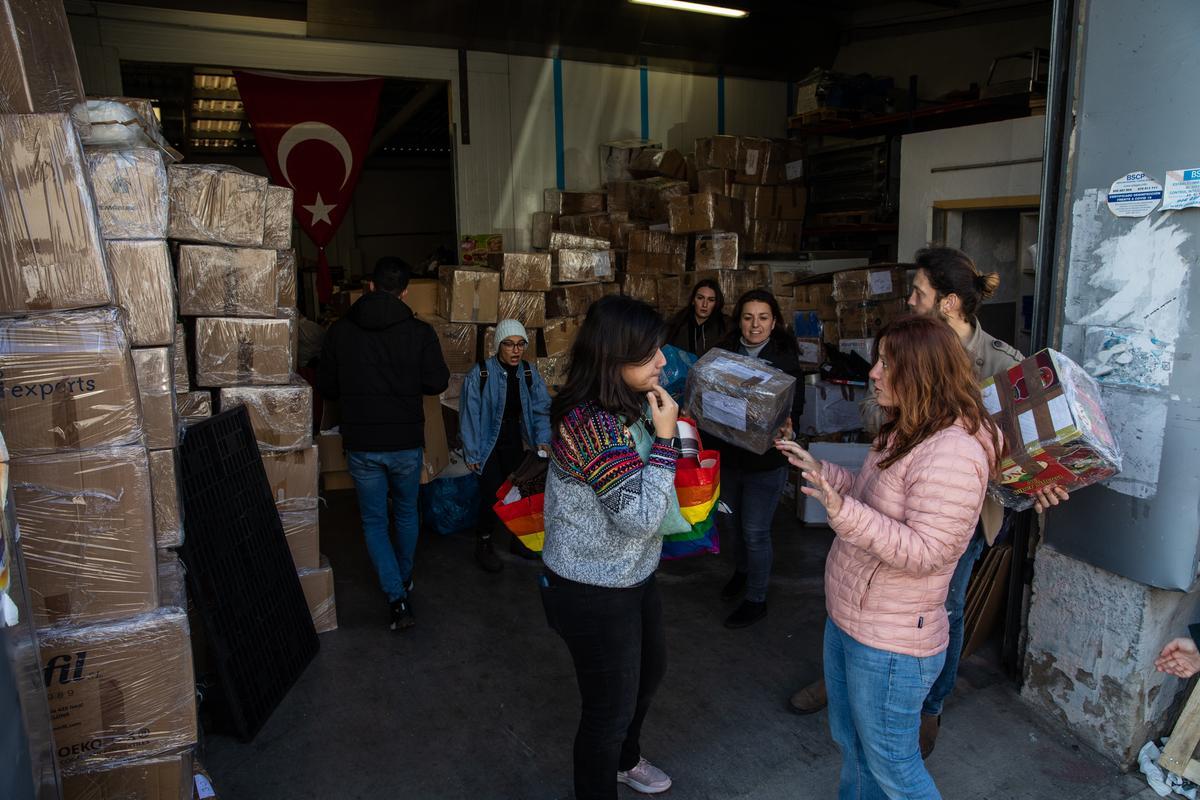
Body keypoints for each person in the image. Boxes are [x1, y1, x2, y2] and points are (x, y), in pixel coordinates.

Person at [789, 247, 1052, 758]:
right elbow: (878, 472)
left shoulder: (999, 365)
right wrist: (830, 477)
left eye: (919, 294)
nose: (909, 301)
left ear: (949, 303)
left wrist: (1040, 481)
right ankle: (852, 681)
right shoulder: (902, 390)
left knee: (940, 608)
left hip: (955, 515)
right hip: (888, 529)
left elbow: (1027, 452)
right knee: (882, 617)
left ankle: (924, 705)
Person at [777, 315, 1004, 800]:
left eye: (886, 363)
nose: (874, 372)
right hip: (851, 621)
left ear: (922, 372)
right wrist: (823, 473)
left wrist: (841, 513)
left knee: (895, 768)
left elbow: (928, 552)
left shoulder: (954, 452)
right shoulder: (907, 430)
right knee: (854, 747)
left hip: (892, 643)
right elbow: (868, 496)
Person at [540, 295, 681, 799]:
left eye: (660, 349)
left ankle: (625, 759)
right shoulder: (590, 424)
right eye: (649, 354)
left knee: (650, 672)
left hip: (630, 576)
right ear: (612, 358)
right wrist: (667, 442)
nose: (663, 361)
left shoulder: (627, 405)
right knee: (607, 714)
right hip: (590, 589)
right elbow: (641, 518)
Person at [317, 257, 449, 632]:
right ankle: (402, 581)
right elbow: (437, 382)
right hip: (406, 442)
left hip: (362, 444)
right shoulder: (419, 332)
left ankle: (396, 597)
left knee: (374, 521)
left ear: (370, 287)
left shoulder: (340, 331)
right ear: (405, 292)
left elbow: (327, 387)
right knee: (407, 512)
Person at [711, 289, 804, 629]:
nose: (755, 325)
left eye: (763, 318)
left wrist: (788, 429)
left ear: (774, 321)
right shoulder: (722, 355)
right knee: (732, 524)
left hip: (765, 464)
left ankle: (756, 598)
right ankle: (742, 571)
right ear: (739, 321)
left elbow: (796, 410)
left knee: (755, 531)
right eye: (748, 317)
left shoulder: (786, 360)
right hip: (729, 458)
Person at [461, 319, 552, 572]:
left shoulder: (528, 372)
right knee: (492, 495)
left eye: (520, 344)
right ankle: (484, 542)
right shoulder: (481, 373)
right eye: (509, 344)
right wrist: (472, 451)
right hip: (487, 442)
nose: (516, 350)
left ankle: (519, 541)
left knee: (521, 491)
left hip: (516, 441)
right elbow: (470, 415)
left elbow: (541, 409)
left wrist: (543, 440)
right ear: (498, 345)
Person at [666, 279, 727, 356]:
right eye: (700, 298)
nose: (705, 304)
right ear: (693, 300)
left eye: (711, 300)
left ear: (716, 303)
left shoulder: (725, 327)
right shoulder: (677, 324)